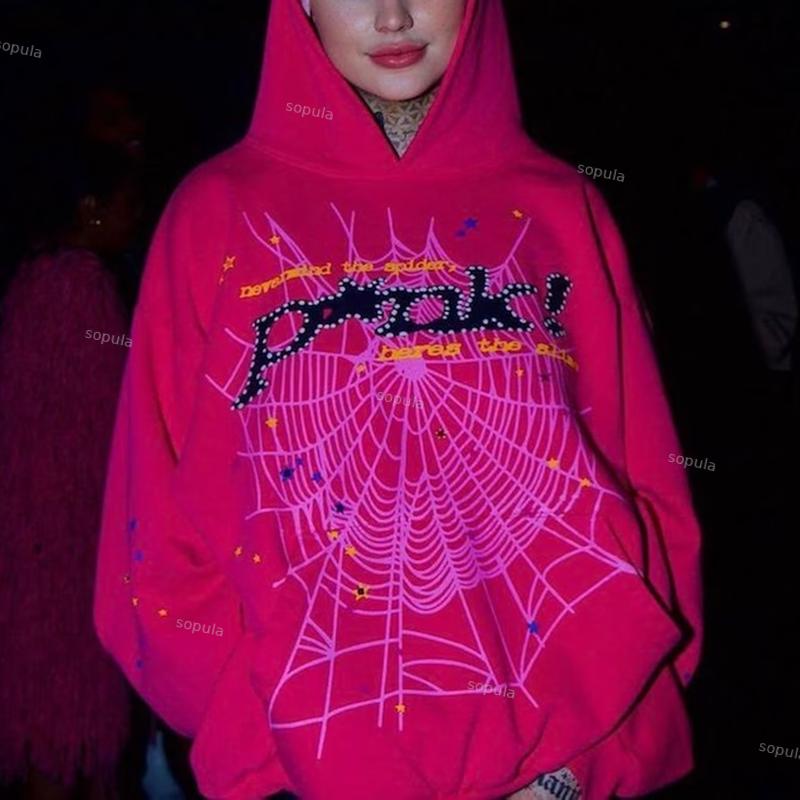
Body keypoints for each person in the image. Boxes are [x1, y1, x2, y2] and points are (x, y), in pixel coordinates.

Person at [93, 2, 702, 799]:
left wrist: (575, 767)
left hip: (550, 770)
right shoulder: (217, 211)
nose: (392, 16)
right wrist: (269, 740)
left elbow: (647, 486)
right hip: (300, 766)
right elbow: (153, 520)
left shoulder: (560, 207)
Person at [0, 144, 142, 799]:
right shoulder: (83, 287)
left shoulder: (27, 282)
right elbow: (120, 394)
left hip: (28, 541)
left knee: (41, 715)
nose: (135, 218)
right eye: (126, 204)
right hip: (72, 544)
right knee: (67, 718)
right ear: (91, 209)